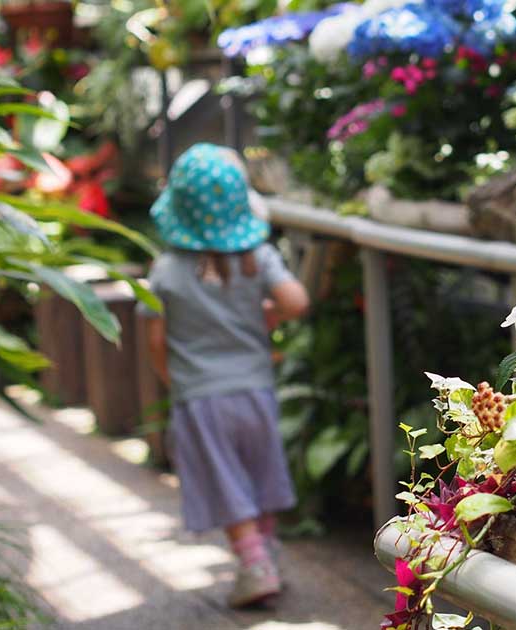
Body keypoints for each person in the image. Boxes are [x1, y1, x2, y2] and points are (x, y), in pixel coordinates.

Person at [141, 143, 309, 607]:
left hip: (200, 395)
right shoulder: (255, 259)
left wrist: (171, 377)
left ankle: (254, 565)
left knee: (225, 477)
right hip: (255, 387)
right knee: (257, 471)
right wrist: (266, 315)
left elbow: (156, 339)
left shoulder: (166, 270)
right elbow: (296, 302)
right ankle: (268, 550)